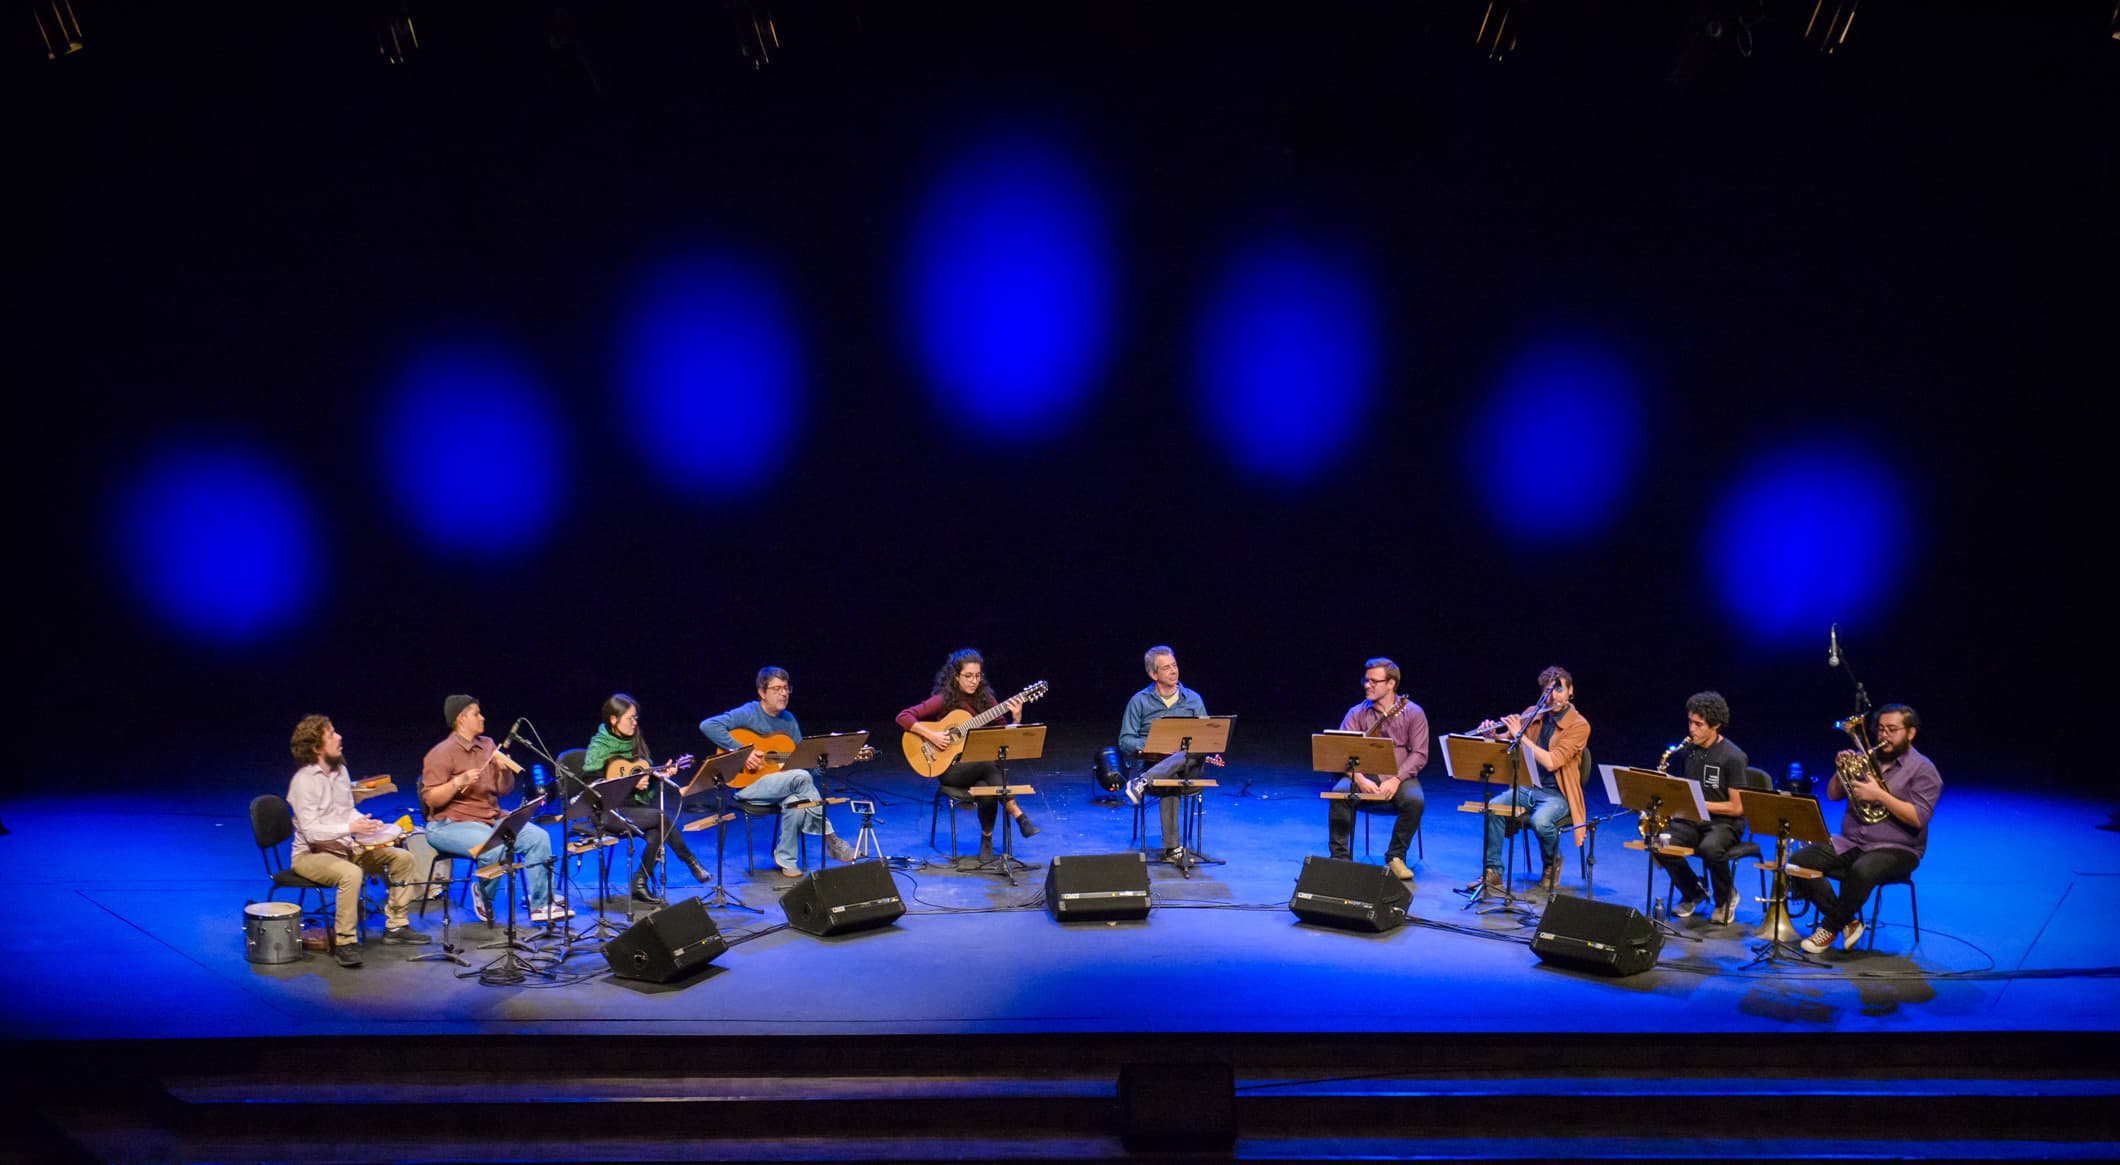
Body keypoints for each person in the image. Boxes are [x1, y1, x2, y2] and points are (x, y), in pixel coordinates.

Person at [285, 715, 430, 968]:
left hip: (345, 847)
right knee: (351, 874)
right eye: (331, 734)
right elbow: (311, 832)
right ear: (317, 748)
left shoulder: (341, 771)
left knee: (402, 857)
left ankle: (396, 926)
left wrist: (368, 825)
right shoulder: (303, 782)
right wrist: (350, 828)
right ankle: (345, 941)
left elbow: (346, 811)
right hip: (311, 855)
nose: (339, 737)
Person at [1795, 704, 1941, 953]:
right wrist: (1840, 770)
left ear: (1911, 733)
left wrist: (1879, 795)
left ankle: (1829, 928)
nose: (1884, 736)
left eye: (1892, 730)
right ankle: (1848, 921)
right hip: (1853, 842)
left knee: (1861, 871)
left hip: (1898, 848)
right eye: (1881, 729)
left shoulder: (1923, 770)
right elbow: (1832, 794)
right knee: (1798, 863)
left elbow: (1918, 817)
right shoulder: (1866, 759)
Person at [420, 695, 571, 923]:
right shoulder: (441, 753)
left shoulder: (488, 746)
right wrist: (457, 783)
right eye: (476, 714)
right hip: (449, 824)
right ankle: (482, 892)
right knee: (493, 846)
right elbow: (431, 798)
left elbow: (504, 790)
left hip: (488, 819)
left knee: (538, 837)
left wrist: (503, 770)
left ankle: (540, 903)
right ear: (461, 719)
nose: (482, 717)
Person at [698, 667, 856, 878]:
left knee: (797, 797)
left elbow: (803, 762)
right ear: (762, 693)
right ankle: (831, 839)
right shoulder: (749, 712)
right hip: (748, 786)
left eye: (786, 688)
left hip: (783, 785)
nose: (784, 693)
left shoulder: (788, 720)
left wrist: (827, 762)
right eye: (777, 689)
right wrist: (742, 752)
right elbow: (708, 725)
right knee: (801, 779)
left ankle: (786, 859)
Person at [896, 649, 1035, 862]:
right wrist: (931, 735)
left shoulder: (987, 700)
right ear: (956, 676)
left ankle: (986, 841)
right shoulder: (945, 699)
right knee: (989, 767)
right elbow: (903, 716)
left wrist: (1016, 718)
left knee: (988, 788)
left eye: (977, 676)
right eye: (968, 676)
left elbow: (1002, 737)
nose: (973, 681)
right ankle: (1017, 814)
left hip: (978, 767)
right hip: (950, 769)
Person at [1468, 665, 1590, 894]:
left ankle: (1552, 862)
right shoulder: (1534, 712)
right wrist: (1493, 735)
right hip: (1529, 788)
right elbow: (1509, 741)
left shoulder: (1579, 725)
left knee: (1540, 822)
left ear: (1571, 691)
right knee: (1493, 807)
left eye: (1559, 690)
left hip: (1559, 794)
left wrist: (1520, 736)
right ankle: (1492, 872)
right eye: (1547, 692)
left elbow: (1552, 761)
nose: (1553, 697)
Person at [581, 693, 711, 906]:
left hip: (633, 809)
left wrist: (656, 777)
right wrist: (630, 783)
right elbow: (592, 785)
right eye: (629, 718)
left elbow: (643, 779)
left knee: (657, 831)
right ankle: (690, 861)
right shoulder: (599, 746)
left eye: (636, 718)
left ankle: (640, 881)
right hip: (607, 811)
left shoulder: (635, 741)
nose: (634, 723)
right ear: (613, 720)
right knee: (661, 819)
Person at [1651, 691, 1751, 924]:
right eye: (1690, 722)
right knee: (1657, 843)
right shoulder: (1689, 751)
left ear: (1715, 725)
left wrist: (1702, 805)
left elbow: (1737, 808)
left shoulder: (1733, 757)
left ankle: (1726, 897)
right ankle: (1694, 891)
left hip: (1724, 824)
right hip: (1692, 821)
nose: (1692, 729)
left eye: (1699, 724)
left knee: (1709, 848)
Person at [1327, 658, 1430, 882]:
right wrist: (1360, 779)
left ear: (1391, 684)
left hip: (1400, 775)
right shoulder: (1356, 713)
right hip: (1363, 774)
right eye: (1366, 680)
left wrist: (1396, 779)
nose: (1367, 685)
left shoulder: (1413, 713)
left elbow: (1419, 754)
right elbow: (1341, 753)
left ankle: (1395, 856)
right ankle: (1340, 859)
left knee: (1414, 800)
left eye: (1374, 681)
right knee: (1339, 792)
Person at [1119, 645, 1224, 862]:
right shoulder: (1139, 701)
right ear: (1153, 674)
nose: (1173, 671)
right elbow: (1125, 741)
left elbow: (1208, 735)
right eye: (1166, 668)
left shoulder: (1193, 699)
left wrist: (1213, 748)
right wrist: (1155, 745)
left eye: (1174, 665)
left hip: (1189, 771)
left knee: (1193, 750)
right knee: (1170, 778)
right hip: (1154, 767)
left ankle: (1140, 782)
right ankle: (1172, 849)